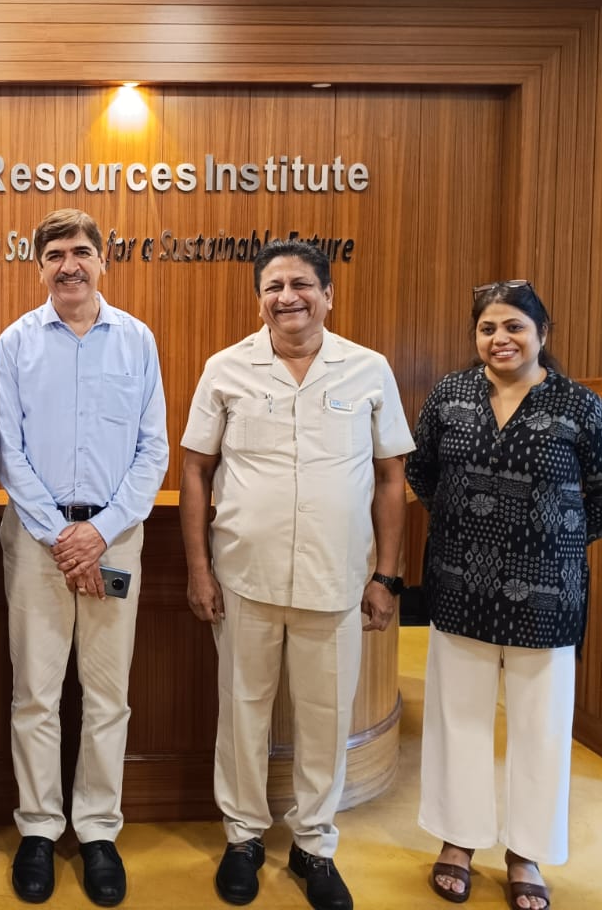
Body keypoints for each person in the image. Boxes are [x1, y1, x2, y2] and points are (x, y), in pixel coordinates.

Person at [178, 240, 413, 910]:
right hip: (244, 580)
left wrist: (387, 578)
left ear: (328, 295)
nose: (288, 296)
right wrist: (200, 570)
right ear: (260, 299)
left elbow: (391, 477)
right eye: (275, 285)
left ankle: (315, 845)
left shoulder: (367, 370)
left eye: (302, 284)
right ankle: (244, 838)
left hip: (335, 581)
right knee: (243, 715)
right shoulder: (226, 369)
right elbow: (195, 470)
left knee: (325, 717)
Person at [409, 281, 602, 910]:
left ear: (542, 334)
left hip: (547, 598)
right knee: (459, 720)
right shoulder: (450, 397)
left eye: (513, 327)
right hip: (458, 586)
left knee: (539, 728)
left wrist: (555, 538)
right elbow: (422, 471)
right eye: (487, 328)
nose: (499, 339)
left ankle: (525, 851)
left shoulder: (577, 405)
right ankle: (458, 841)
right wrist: (465, 526)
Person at [0, 208, 168, 907]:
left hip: (117, 536)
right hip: (37, 543)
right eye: (56, 254)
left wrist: (100, 532)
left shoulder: (137, 341)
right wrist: (60, 536)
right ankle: (39, 828)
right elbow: (7, 448)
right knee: (35, 693)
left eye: (82, 252)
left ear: (105, 260)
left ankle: (97, 831)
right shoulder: (14, 342)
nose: (69, 264)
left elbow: (153, 447)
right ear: (39, 266)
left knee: (108, 697)